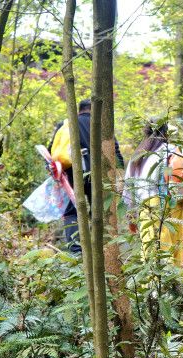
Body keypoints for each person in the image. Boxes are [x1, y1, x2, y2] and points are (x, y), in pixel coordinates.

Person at [50, 99, 123, 254]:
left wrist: (55, 175)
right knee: (98, 209)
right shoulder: (101, 125)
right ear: (93, 110)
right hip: (97, 174)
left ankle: (76, 250)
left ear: (79, 110)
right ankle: (100, 248)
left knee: (71, 211)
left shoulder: (66, 124)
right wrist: (120, 173)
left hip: (70, 174)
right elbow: (115, 150)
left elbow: (52, 151)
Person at [123, 120, 183, 266]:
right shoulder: (176, 151)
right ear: (166, 133)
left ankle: (154, 287)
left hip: (149, 208)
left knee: (153, 253)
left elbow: (129, 190)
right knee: (176, 251)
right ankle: (177, 286)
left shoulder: (139, 156)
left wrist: (131, 217)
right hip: (178, 205)